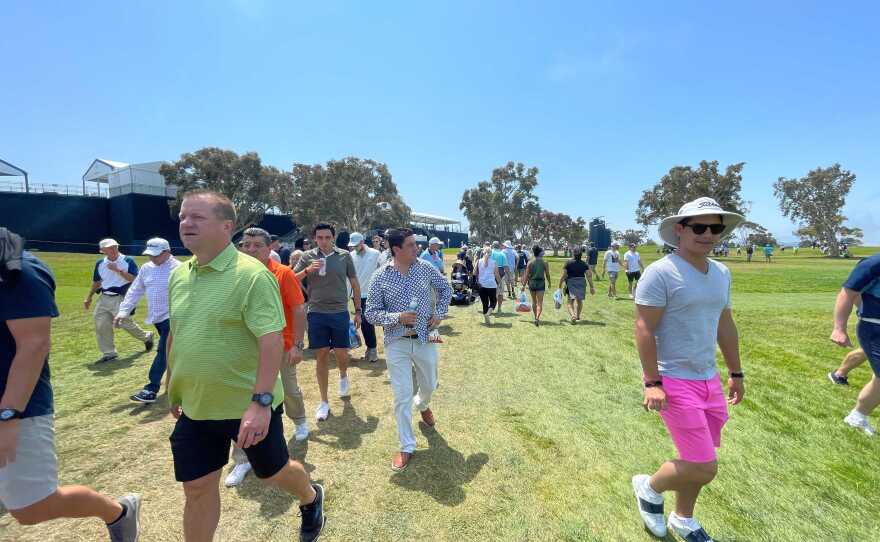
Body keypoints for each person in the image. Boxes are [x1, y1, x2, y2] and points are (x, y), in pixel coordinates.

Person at [166, 191, 324, 541]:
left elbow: (270, 341)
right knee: (196, 488)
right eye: (182, 217)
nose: (186, 223)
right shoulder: (178, 275)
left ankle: (311, 496)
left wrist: (261, 402)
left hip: (246, 404)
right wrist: (171, 383)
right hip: (196, 405)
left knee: (273, 474)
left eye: (197, 217)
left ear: (227, 227)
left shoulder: (252, 276)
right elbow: (177, 333)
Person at [0, 228, 141, 541]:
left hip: (15, 405)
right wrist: (91, 294)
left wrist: (8, 416)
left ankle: (118, 511)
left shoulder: (18, 270)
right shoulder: (98, 264)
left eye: (111, 248)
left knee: (30, 508)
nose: (107, 252)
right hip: (104, 298)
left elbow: (34, 344)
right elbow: (95, 280)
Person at [631, 197, 745, 541]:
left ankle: (684, 518)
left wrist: (736, 373)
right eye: (699, 227)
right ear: (680, 230)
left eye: (715, 228)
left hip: (707, 378)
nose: (708, 234)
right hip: (673, 378)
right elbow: (643, 328)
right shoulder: (660, 272)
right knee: (705, 466)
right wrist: (652, 382)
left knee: (698, 457)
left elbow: (725, 324)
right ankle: (649, 488)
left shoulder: (721, 273)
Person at [226, 227, 311, 487]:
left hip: (281, 347)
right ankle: (242, 459)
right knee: (244, 403)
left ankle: (299, 420)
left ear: (269, 248)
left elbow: (298, 310)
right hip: (246, 351)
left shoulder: (283, 274)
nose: (250, 250)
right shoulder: (234, 275)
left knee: (288, 389)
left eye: (257, 245)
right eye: (245, 245)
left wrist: (297, 345)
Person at [365, 228, 452, 472]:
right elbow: (371, 313)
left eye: (416, 244)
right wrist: (398, 317)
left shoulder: (425, 268)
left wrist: (439, 314)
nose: (417, 249)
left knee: (430, 384)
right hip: (397, 342)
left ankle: (423, 404)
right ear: (396, 249)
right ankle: (406, 445)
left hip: (426, 337)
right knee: (401, 395)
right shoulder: (380, 277)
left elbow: (446, 289)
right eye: (412, 245)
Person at [294, 223, 362, 422]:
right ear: (315, 238)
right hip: (316, 312)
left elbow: (355, 283)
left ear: (333, 238)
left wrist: (358, 311)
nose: (323, 241)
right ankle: (324, 402)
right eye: (319, 237)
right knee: (321, 354)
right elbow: (291, 278)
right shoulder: (307, 257)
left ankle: (343, 374)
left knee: (341, 353)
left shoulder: (344, 256)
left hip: (340, 311)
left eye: (327, 237)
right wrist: (307, 270)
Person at [115, 238, 181, 404]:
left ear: (167, 252)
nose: (152, 258)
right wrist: (124, 311)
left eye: (156, 255)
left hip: (175, 319)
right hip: (157, 319)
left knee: (163, 351)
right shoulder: (146, 268)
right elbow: (135, 290)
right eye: (149, 255)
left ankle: (151, 388)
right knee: (174, 353)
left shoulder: (179, 268)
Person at [830, 252, 880, 436]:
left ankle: (858, 416)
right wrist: (839, 328)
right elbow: (847, 293)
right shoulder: (874, 263)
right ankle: (857, 416)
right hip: (874, 328)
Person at [84, 239, 154, 363]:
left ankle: (146, 336)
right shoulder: (100, 263)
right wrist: (89, 297)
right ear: (102, 251)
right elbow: (97, 282)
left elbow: (135, 279)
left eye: (115, 247)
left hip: (121, 297)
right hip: (104, 298)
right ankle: (109, 353)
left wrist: (117, 270)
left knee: (124, 323)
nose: (113, 249)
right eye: (109, 248)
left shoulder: (127, 261)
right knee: (101, 325)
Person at [348, 232, 382, 362]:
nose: (354, 247)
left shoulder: (375, 254)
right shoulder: (350, 256)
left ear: (362, 242)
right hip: (355, 294)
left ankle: (372, 349)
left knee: (367, 322)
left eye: (356, 244)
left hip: (370, 293)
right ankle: (370, 349)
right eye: (353, 245)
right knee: (362, 323)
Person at [558, 248, 595, 323]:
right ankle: (578, 316)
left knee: (570, 302)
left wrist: (560, 285)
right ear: (581, 255)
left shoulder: (568, 263)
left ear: (573, 254)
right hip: (581, 282)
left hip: (571, 282)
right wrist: (591, 287)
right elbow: (589, 275)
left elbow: (564, 275)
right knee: (579, 301)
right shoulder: (584, 264)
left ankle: (573, 316)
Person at [522, 246, 552, 326]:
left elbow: (526, 276)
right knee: (540, 303)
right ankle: (537, 318)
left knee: (534, 302)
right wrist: (549, 282)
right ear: (539, 253)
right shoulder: (544, 262)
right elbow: (547, 274)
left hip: (532, 283)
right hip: (541, 283)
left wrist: (523, 286)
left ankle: (535, 317)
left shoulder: (530, 262)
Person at [474, 245, 502, 325]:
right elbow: (497, 275)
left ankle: (486, 320)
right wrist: (500, 283)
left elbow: (474, 272)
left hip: (481, 285)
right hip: (491, 285)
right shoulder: (493, 262)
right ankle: (488, 314)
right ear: (491, 254)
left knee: (484, 303)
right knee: (493, 301)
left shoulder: (478, 261)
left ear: (483, 252)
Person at [490, 241, 508, 313]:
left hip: (491, 274)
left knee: (491, 292)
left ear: (493, 246)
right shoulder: (502, 254)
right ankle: (499, 308)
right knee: (500, 293)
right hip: (501, 275)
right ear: (499, 246)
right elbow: (506, 267)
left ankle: (490, 308)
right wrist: (510, 276)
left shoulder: (490, 253)